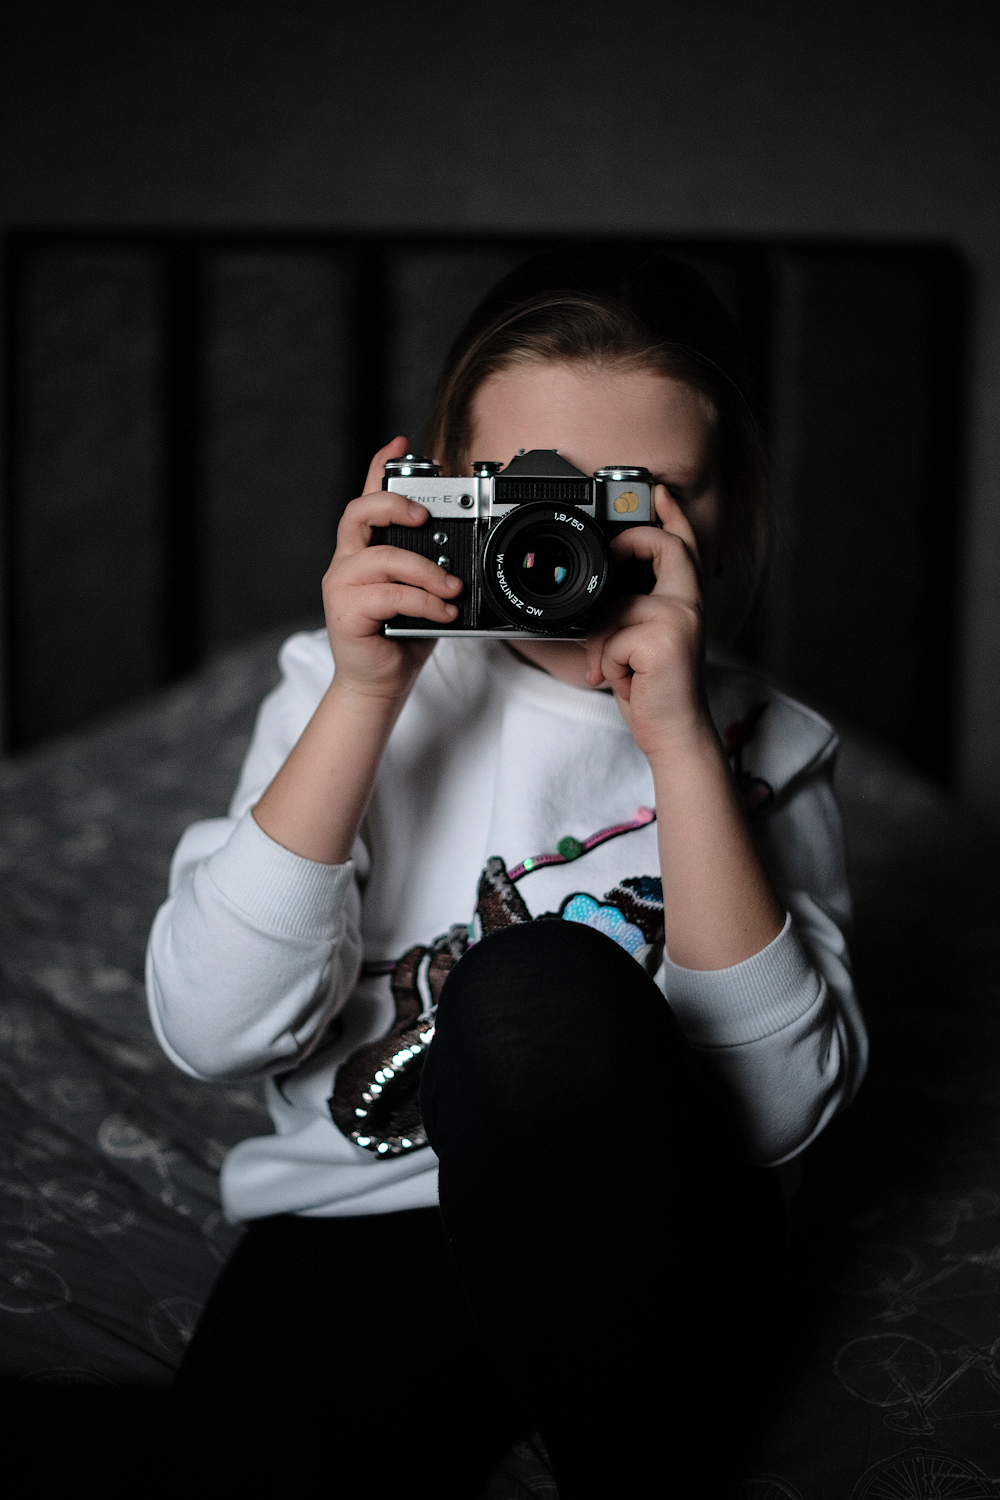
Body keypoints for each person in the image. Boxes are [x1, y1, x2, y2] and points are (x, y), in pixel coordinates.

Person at [147, 247, 866, 1497]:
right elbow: (211, 1033)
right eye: (529, 491)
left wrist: (680, 740)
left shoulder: (769, 747)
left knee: (540, 984)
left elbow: (776, 1114)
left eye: (630, 498)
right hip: (368, 1221)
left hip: (656, 1223)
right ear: (438, 482)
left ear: (719, 512)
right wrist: (367, 693)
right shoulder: (334, 692)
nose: (560, 540)